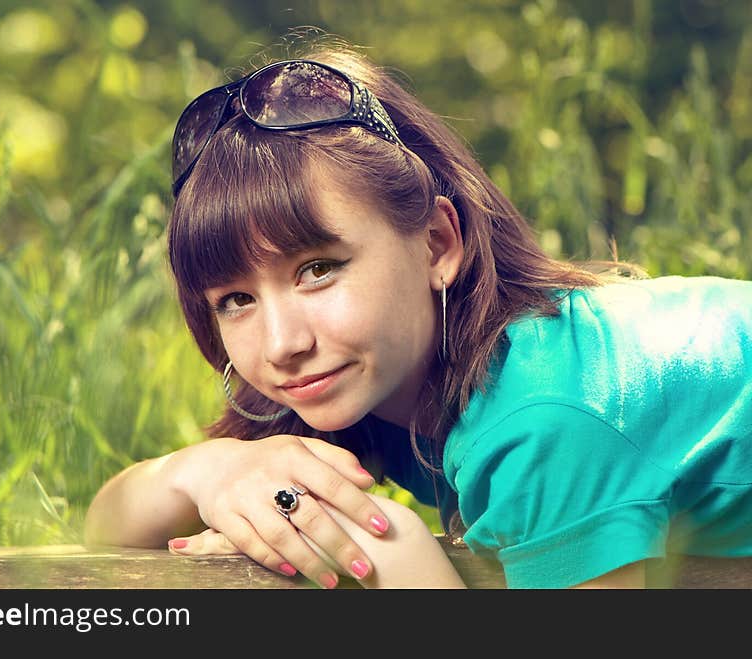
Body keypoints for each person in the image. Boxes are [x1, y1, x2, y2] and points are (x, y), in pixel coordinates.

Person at [83, 41, 752, 589]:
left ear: (438, 243)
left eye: (317, 269)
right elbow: (106, 525)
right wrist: (208, 469)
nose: (282, 343)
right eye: (237, 299)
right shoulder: (382, 384)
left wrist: (396, 560)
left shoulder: (542, 418)